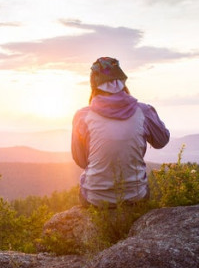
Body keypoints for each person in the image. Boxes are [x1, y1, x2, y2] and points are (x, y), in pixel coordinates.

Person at [72, 57, 170, 208]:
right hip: (136, 196)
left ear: (94, 85)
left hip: (95, 199)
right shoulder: (143, 111)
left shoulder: (83, 117)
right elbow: (162, 140)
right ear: (123, 82)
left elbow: (81, 160)